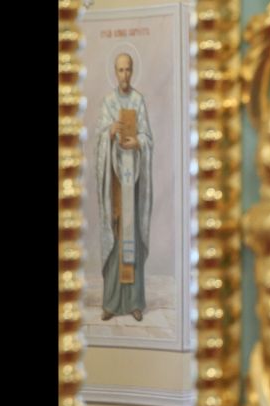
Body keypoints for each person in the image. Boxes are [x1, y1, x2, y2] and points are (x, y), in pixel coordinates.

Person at [95, 52, 154, 322]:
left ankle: (134, 302)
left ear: (133, 71)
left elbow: (147, 136)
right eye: (120, 70)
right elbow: (99, 137)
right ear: (114, 72)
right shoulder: (108, 102)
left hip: (134, 178)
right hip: (116, 183)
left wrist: (138, 142)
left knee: (132, 238)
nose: (125, 75)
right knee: (117, 233)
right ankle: (111, 302)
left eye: (128, 70)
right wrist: (110, 132)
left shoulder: (138, 101)